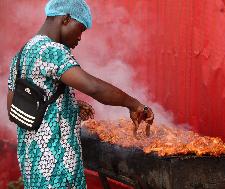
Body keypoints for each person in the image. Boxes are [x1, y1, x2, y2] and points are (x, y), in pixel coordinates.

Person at [6, 0, 154, 188]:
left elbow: (15, 109)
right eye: (81, 29)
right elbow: (93, 87)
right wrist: (134, 104)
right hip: (57, 171)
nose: (80, 38)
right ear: (66, 19)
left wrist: (66, 106)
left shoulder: (21, 56)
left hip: (33, 167)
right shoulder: (52, 50)